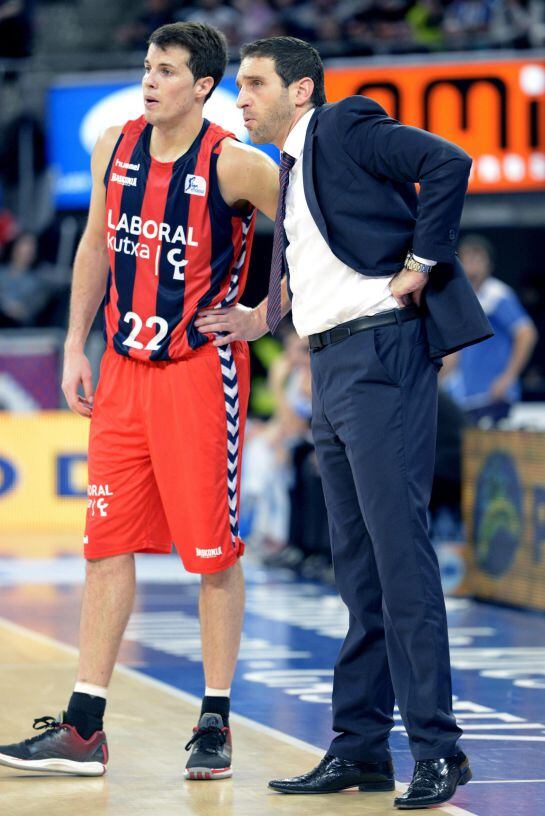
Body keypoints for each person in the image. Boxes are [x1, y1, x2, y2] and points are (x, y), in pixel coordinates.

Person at [197, 36, 492, 809]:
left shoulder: (343, 126)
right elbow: (317, 256)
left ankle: (439, 750)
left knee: (399, 563)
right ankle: (360, 746)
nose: (242, 98)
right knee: (356, 573)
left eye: (255, 83)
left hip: (380, 356)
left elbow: (448, 163)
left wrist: (422, 265)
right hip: (329, 367)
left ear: (300, 92)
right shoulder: (292, 168)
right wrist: (266, 315)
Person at [0, 22, 278, 781]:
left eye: (166, 70)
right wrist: (71, 345)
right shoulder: (111, 148)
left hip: (197, 369)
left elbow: (312, 226)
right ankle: (84, 727)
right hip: (122, 367)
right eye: (146, 66)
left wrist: (267, 312)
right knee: (104, 545)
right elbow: (95, 244)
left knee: (212, 554)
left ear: (203, 86)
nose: (150, 80)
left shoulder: (236, 164)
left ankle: (214, 720)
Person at [441, 234, 537, 426]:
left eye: (478, 258)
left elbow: (527, 333)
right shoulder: (460, 299)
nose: (472, 265)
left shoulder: (497, 295)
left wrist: (508, 378)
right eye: (467, 259)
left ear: (489, 264)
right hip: (464, 396)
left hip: (493, 395)